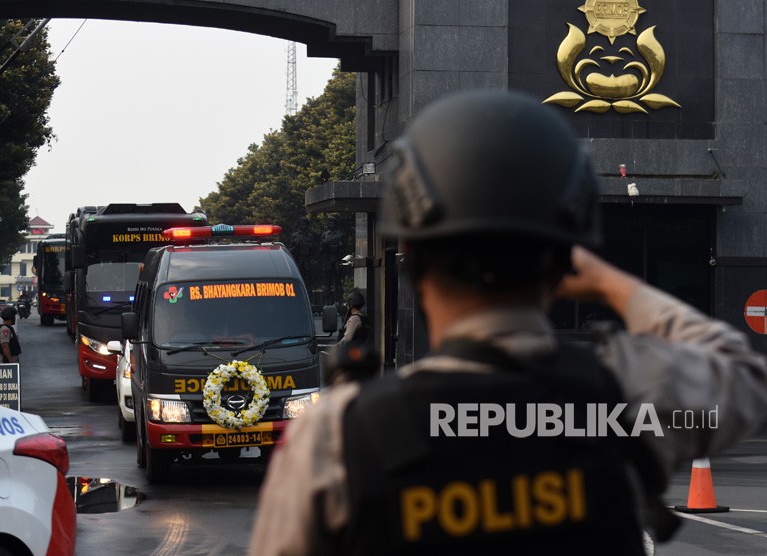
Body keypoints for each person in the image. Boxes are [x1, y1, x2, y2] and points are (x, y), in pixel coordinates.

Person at [249, 90, 767, 555]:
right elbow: (743, 376)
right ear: (567, 254)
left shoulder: (338, 437)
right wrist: (612, 283)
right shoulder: (622, 394)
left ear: (409, 248)